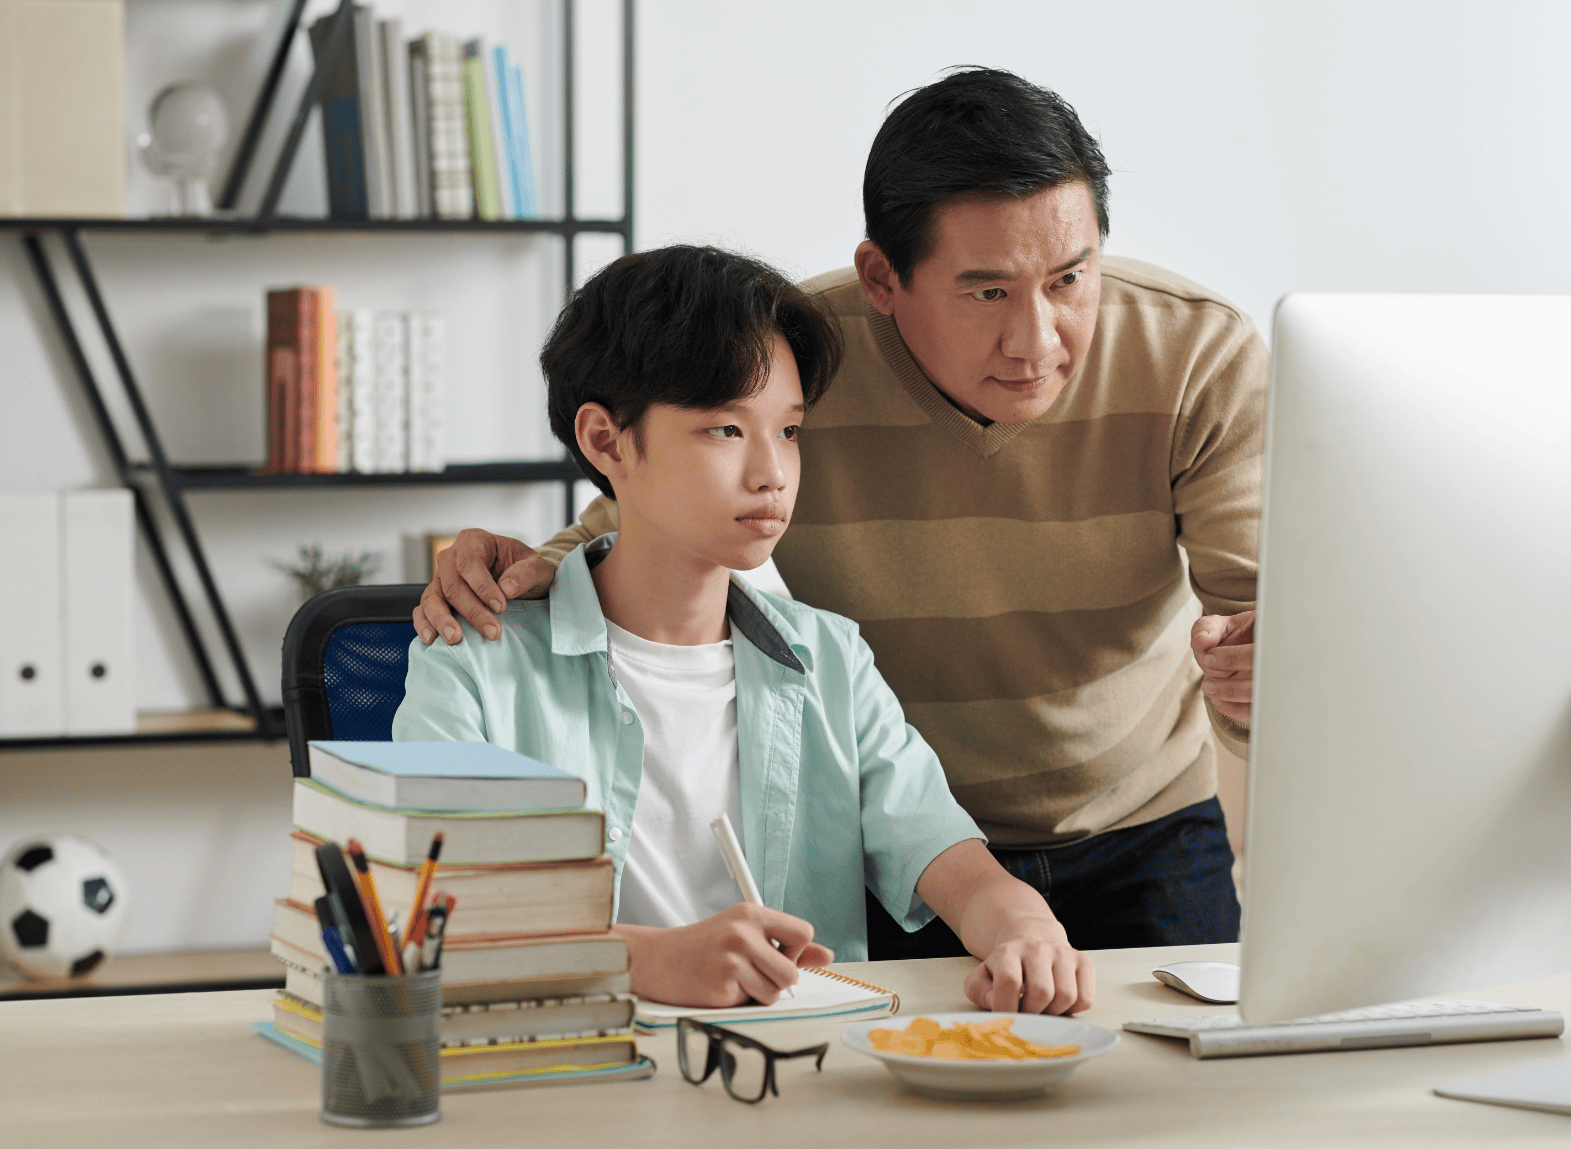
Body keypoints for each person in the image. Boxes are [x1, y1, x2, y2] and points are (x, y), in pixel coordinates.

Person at [414, 68, 1264, 957]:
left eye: (1069, 279)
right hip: (898, 865)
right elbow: (641, 503)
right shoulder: (792, 350)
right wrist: (515, 573)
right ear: (883, 279)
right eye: (986, 292)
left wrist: (1262, 678)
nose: (1037, 341)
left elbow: (1265, 636)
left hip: (1137, 825)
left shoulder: (1196, 354)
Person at [393, 245, 1094, 1013]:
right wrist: (651, 959)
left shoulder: (828, 658)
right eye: (726, 430)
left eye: (789, 431)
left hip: (800, 1080)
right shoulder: (474, 660)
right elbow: (426, 916)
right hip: (570, 1076)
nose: (773, 473)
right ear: (605, 440)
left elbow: (947, 856)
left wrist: (1025, 929)